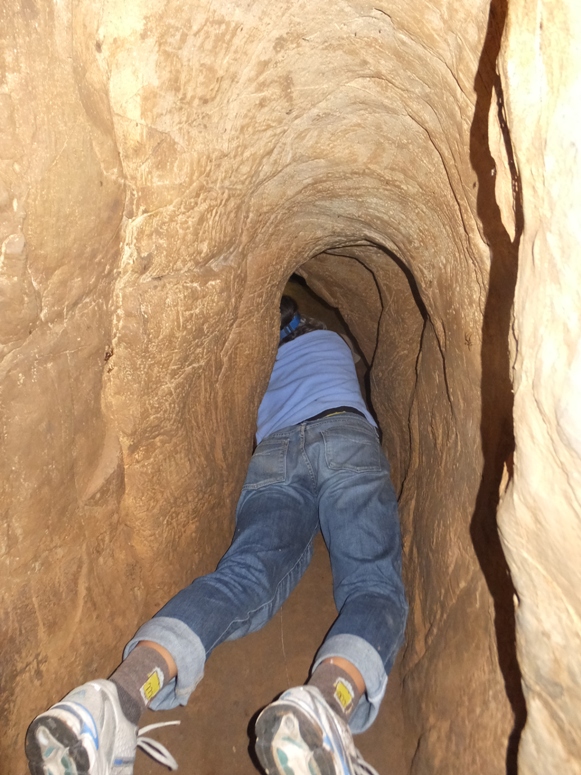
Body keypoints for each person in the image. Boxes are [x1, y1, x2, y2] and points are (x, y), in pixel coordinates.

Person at [25, 295, 408, 775]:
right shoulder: (333, 339)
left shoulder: (259, 356)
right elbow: (357, 362)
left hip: (275, 452)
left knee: (242, 577)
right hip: (346, 434)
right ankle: (329, 700)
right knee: (373, 586)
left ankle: (114, 701)